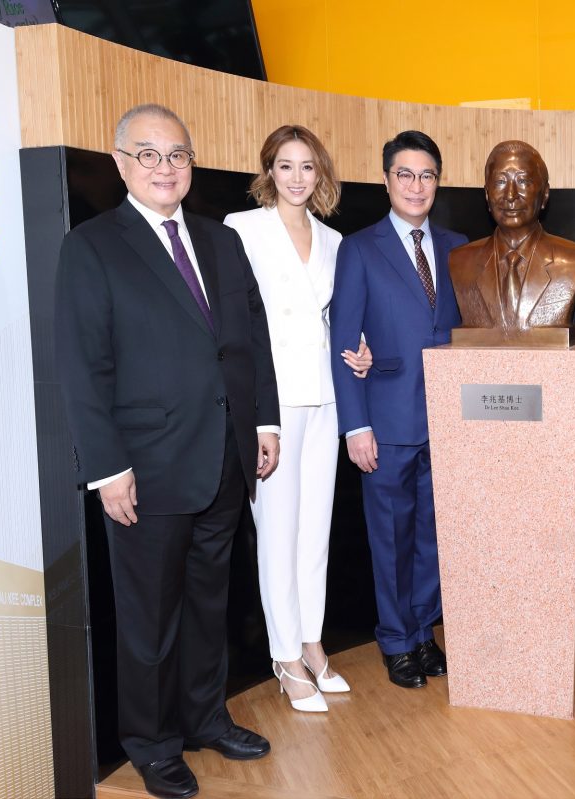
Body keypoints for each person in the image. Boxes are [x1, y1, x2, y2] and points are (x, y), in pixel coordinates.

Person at [56, 104, 279, 799]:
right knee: (149, 616)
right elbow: (80, 366)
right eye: (147, 154)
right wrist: (106, 466)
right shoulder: (91, 246)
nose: (164, 167)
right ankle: (151, 742)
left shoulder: (222, 241)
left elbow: (253, 339)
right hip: (144, 470)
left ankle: (205, 716)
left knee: (211, 604)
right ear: (120, 162)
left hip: (223, 457)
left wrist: (265, 421)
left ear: (191, 164)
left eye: (176, 154)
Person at [223, 125, 371, 712]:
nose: (297, 177)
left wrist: (357, 351)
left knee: (314, 532)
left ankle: (311, 642)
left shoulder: (335, 241)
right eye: (286, 166)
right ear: (269, 171)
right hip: (272, 407)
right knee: (277, 534)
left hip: (326, 398)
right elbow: (239, 328)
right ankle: (283, 654)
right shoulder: (243, 230)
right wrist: (258, 415)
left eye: (308, 166)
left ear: (321, 175)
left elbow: (336, 320)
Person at [329, 131, 465, 689]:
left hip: (451, 423)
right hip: (385, 422)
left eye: (426, 175)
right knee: (390, 535)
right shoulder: (359, 248)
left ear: (438, 182)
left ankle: (422, 630)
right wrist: (355, 425)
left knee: (435, 535)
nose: (416, 185)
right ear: (386, 180)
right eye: (405, 174)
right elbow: (342, 341)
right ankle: (395, 639)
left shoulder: (460, 247)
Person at [450, 140, 575, 338]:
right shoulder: (461, 261)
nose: (510, 195)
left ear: (545, 194)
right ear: (486, 195)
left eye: (523, 181)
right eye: (500, 182)